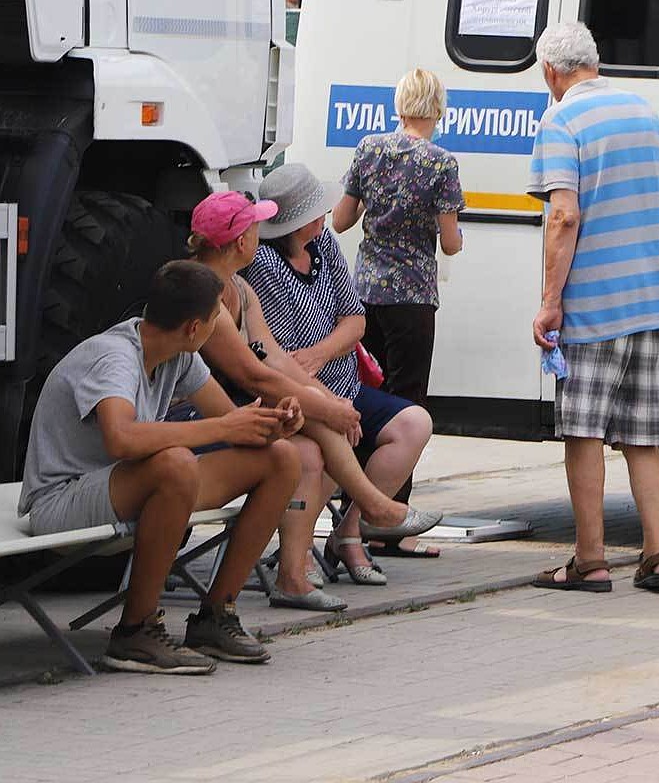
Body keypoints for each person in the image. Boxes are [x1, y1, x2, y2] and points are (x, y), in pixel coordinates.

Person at [19, 260, 303, 673]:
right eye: (214, 322)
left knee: (281, 460)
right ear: (193, 328)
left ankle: (215, 617)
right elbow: (122, 438)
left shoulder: (179, 356)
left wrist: (276, 425)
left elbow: (233, 427)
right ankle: (135, 630)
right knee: (175, 464)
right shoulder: (114, 357)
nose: (216, 330)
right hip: (61, 502)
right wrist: (222, 427)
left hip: (127, 486)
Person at [190, 189, 440, 595]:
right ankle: (347, 528)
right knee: (311, 444)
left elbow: (276, 362)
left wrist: (325, 401)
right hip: (206, 414)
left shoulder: (239, 287)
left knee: (326, 428)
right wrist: (326, 406)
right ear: (241, 241)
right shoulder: (207, 296)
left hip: (246, 402)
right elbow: (258, 375)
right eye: (255, 226)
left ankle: (326, 548)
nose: (261, 233)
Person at [527, 22, 659, 593]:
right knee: (643, 437)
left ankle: (589, 559)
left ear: (551, 72)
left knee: (584, 432)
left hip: (591, 308)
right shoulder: (644, 111)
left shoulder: (560, 120)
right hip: (646, 302)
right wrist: (654, 274)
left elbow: (563, 216)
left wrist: (549, 302)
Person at [333, 68, 464, 558]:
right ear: (438, 108)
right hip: (412, 298)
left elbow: (342, 220)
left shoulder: (369, 149)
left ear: (400, 103)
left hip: (362, 295)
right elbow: (449, 244)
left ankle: (351, 498)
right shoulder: (442, 163)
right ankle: (390, 522)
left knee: (360, 396)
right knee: (406, 406)